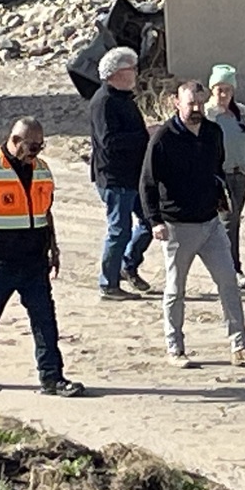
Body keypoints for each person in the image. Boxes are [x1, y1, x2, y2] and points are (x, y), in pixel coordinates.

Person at [140, 80, 245, 369]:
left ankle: (240, 346)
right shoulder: (163, 138)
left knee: (229, 282)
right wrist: (154, 221)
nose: (196, 108)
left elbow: (216, 168)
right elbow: (147, 182)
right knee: (176, 290)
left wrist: (220, 197)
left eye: (200, 103)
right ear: (177, 103)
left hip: (210, 223)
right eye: (190, 103)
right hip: (177, 226)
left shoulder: (212, 131)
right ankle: (175, 348)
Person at [0, 117, 84, 397]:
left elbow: (45, 212)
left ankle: (52, 378)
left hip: (34, 260)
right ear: (15, 140)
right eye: (33, 146)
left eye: (41, 146)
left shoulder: (41, 169)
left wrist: (54, 248)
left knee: (45, 320)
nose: (36, 152)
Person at [89, 46, 152, 301]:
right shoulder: (104, 101)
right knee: (119, 230)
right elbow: (109, 142)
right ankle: (108, 283)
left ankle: (128, 264)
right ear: (116, 73)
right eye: (131, 69)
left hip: (135, 175)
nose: (136, 73)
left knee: (150, 222)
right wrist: (144, 136)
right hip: (114, 177)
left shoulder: (124, 97)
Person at [204, 64, 245, 289]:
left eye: (228, 89)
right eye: (219, 89)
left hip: (241, 174)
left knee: (233, 221)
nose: (223, 94)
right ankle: (232, 270)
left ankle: (227, 267)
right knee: (227, 221)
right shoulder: (207, 115)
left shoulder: (242, 113)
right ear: (212, 89)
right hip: (220, 176)